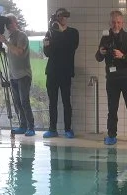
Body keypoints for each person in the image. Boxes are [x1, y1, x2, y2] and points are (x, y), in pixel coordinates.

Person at [95, 10, 127, 146]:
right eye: (113, 22)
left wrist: (123, 56)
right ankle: (111, 135)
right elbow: (98, 58)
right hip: (112, 79)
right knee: (112, 108)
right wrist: (100, 52)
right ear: (110, 22)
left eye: (118, 22)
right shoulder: (105, 38)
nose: (116, 25)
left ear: (122, 23)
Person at [43, 7, 79, 139]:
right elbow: (47, 53)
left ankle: (68, 129)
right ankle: (52, 129)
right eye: (59, 15)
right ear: (56, 17)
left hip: (65, 72)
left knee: (66, 101)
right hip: (52, 71)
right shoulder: (50, 33)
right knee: (52, 102)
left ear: (67, 17)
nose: (61, 18)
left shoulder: (73, 32)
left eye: (63, 16)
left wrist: (61, 32)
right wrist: (46, 44)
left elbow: (71, 47)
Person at [0, 14, 35, 137]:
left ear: (15, 22)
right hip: (13, 75)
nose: (8, 25)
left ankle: (31, 127)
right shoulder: (10, 37)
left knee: (24, 102)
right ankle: (22, 126)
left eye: (10, 22)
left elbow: (19, 51)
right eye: (6, 23)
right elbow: (10, 54)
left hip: (23, 75)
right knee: (17, 103)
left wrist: (5, 42)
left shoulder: (21, 35)